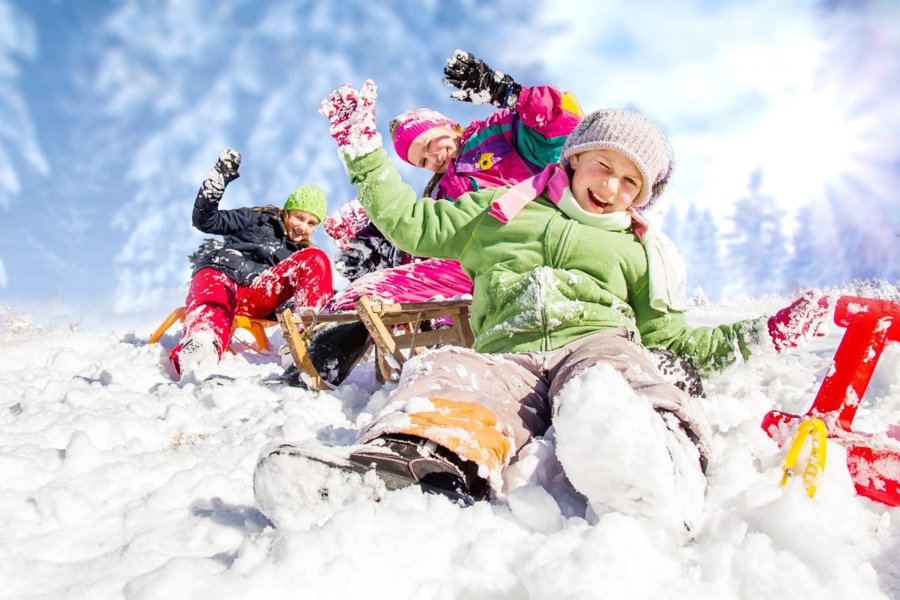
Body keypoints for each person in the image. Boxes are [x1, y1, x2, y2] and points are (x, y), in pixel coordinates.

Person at [254, 81, 831, 531]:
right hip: (510, 349)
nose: (612, 187)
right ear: (576, 159)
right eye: (604, 165)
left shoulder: (635, 247)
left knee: (614, 378)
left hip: (597, 341)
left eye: (632, 182)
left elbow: (671, 337)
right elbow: (411, 223)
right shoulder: (501, 209)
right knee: (449, 372)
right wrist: (364, 152)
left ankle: (654, 464)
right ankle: (402, 465)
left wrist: (765, 333)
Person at [284, 49, 584, 388]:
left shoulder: (497, 135)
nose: (434, 158)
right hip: (468, 269)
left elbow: (566, 129)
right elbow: (425, 236)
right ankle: (312, 367)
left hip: (524, 253)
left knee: (379, 290)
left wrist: (507, 93)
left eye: (430, 143)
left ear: (445, 124)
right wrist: (375, 245)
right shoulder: (438, 193)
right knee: (371, 292)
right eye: (423, 160)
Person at [170, 148, 334, 379]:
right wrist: (218, 182)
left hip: (258, 293)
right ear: (286, 212)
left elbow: (312, 290)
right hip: (222, 274)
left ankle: (305, 341)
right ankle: (202, 345)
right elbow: (206, 221)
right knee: (215, 299)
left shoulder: (301, 254)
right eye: (299, 217)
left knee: (317, 258)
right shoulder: (258, 218)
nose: (302, 227)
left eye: (311, 223)